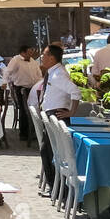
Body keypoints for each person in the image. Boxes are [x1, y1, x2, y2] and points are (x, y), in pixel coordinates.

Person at [34, 43, 80, 193]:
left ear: (52, 58)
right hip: (50, 113)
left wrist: (71, 112)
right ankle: (52, 184)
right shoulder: (53, 72)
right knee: (47, 150)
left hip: (56, 115)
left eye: (44, 54)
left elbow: (75, 91)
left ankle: (55, 185)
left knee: (51, 152)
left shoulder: (58, 74)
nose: (42, 57)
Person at [2, 45, 42, 144]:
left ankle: (34, 131)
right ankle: (24, 133)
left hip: (33, 88)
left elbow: (39, 74)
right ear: (23, 52)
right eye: (29, 52)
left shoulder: (33, 61)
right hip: (21, 88)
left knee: (37, 108)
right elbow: (7, 71)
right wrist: (4, 83)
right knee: (24, 110)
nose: (31, 54)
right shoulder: (16, 60)